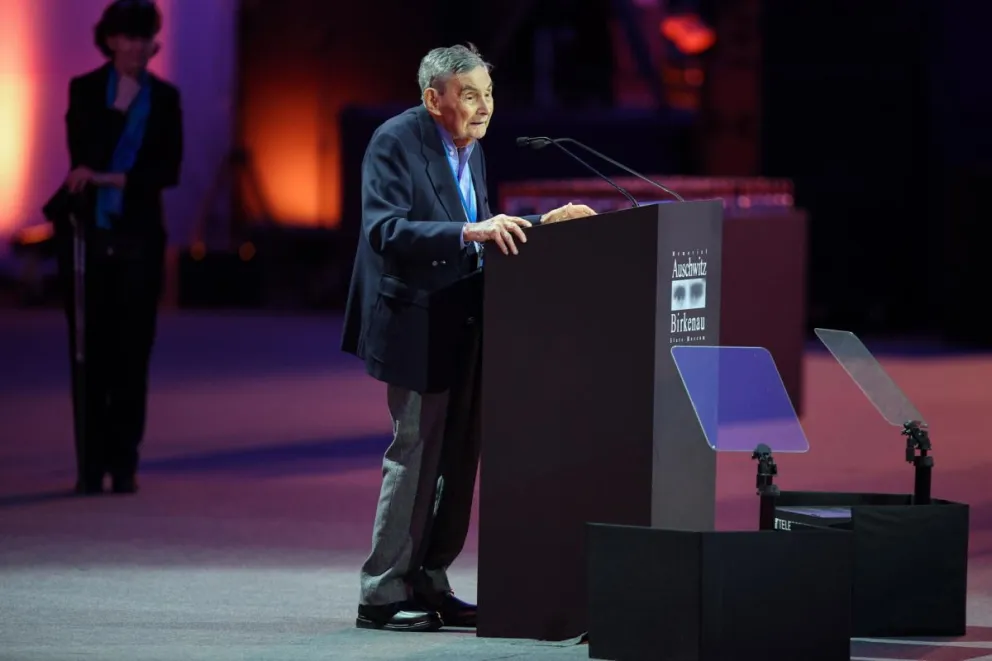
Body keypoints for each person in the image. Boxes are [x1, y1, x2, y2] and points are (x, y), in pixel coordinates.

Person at [340, 43, 596, 632]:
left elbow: (483, 229)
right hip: (414, 320)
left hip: (467, 318)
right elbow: (386, 231)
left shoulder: (470, 147)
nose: (484, 108)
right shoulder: (394, 141)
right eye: (470, 95)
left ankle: (429, 578)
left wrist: (542, 224)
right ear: (434, 99)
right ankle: (381, 592)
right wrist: (470, 231)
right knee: (413, 455)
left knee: (457, 460)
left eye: (489, 94)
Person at [50, 0, 182, 495]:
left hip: (139, 238)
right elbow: (82, 157)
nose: (136, 47)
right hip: (89, 238)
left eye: (144, 37)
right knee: (89, 352)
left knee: (132, 353)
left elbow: (167, 170)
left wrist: (110, 178)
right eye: (128, 37)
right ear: (110, 41)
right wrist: (119, 108)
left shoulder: (165, 98)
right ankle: (89, 465)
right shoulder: (85, 89)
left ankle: (124, 463)